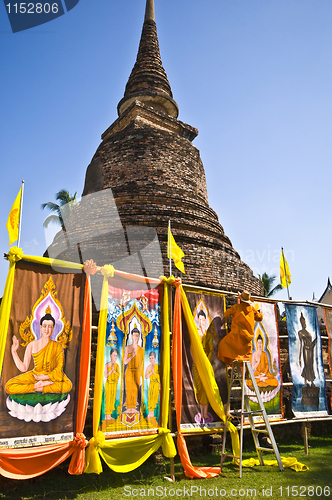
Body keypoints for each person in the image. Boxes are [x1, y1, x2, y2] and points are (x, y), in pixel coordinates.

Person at [6, 312, 72, 395]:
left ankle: (40, 387)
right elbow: (24, 368)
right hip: (35, 376)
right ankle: (37, 386)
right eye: (44, 326)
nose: (47, 329)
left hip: (52, 376)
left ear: (53, 329)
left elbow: (59, 367)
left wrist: (46, 377)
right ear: (40, 328)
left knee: (67, 385)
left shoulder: (58, 346)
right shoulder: (32, 344)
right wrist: (14, 352)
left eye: (49, 327)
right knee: (9, 385)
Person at [217, 291, 263, 366]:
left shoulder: (236, 307)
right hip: (247, 338)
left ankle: (233, 360)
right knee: (246, 354)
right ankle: (247, 371)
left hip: (236, 335)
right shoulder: (252, 309)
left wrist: (229, 310)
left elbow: (226, 314)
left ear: (240, 299)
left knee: (222, 345)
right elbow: (259, 318)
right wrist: (259, 313)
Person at [192, 309, 213, 423]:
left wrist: (205, 361)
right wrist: (196, 360)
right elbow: (192, 349)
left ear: (205, 320)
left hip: (206, 364)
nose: (201, 322)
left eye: (203, 319)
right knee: (199, 388)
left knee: (206, 388)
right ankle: (201, 412)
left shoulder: (208, 335)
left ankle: (205, 413)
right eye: (199, 320)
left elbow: (211, 350)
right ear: (197, 321)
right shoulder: (196, 334)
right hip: (197, 364)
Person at [123, 327, 143, 414]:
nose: (136, 338)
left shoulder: (141, 349)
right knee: (129, 389)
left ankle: (134, 407)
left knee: (135, 389)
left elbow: (142, 363)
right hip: (129, 371)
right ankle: (129, 407)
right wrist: (132, 356)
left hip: (137, 371)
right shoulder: (128, 348)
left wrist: (141, 375)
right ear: (131, 336)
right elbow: (125, 361)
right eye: (134, 336)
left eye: (137, 336)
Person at [298, 312, 316, 386]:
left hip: (311, 350)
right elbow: (300, 344)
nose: (304, 324)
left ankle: (311, 381)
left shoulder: (309, 333)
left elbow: (311, 342)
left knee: (311, 365)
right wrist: (299, 357)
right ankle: (305, 380)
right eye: (302, 323)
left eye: (304, 323)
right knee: (307, 364)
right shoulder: (300, 332)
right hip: (305, 349)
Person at [104, 348, 120, 420]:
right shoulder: (107, 365)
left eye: (116, 356)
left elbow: (118, 375)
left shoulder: (117, 365)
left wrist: (114, 371)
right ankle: (106, 415)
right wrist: (111, 370)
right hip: (109, 384)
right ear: (111, 355)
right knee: (108, 399)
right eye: (114, 355)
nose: (115, 357)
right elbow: (105, 375)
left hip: (114, 384)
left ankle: (109, 415)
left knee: (112, 399)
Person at [145, 351, 160, 418]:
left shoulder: (157, 366)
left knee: (154, 399)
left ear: (155, 358)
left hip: (156, 385)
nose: (151, 359)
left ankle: (153, 413)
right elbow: (146, 376)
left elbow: (160, 378)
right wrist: (151, 373)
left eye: (152, 358)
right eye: (150, 358)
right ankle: (150, 413)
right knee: (150, 398)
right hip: (151, 384)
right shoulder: (148, 367)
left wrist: (154, 373)